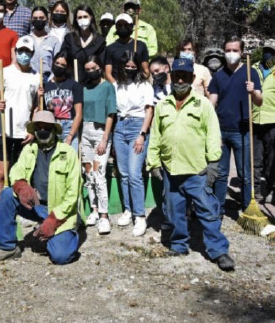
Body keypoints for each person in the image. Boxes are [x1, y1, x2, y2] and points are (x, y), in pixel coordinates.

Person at [147, 58, 235, 271]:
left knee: (207, 210)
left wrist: (214, 163)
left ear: (192, 78)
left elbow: (213, 134)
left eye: (184, 76)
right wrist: (154, 163)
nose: (180, 80)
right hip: (171, 170)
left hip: (197, 170)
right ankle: (179, 245)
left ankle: (218, 250)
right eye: (176, 75)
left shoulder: (203, 104)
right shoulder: (163, 106)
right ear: (171, 76)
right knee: (174, 210)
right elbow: (156, 135)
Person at [0, 111, 82, 266]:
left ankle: (72, 230)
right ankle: (8, 248)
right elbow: (16, 171)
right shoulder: (29, 149)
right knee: (8, 194)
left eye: (47, 127)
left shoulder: (68, 153)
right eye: (39, 127)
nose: (43, 131)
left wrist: (53, 220)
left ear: (54, 130)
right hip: (36, 206)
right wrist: (21, 186)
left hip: (59, 211)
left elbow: (73, 195)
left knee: (60, 257)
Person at [208, 37, 263, 213]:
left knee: (245, 174)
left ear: (242, 52)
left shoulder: (250, 73)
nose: (231, 54)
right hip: (221, 131)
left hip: (242, 131)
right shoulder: (218, 75)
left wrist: (253, 91)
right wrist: (210, 127)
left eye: (235, 50)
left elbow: (260, 101)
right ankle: (218, 209)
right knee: (221, 174)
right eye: (228, 50)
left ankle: (248, 208)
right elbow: (211, 103)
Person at [0, 36, 40, 201]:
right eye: (21, 51)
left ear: (32, 53)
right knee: (2, 174)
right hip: (3, 131)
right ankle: (3, 207)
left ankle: (22, 209)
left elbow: (37, 108)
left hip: (24, 134)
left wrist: (32, 130)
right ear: (16, 52)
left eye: (27, 51)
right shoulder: (4, 72)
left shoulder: (36, 76)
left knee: (22, 175)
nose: (24, 54)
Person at [112, 52, 154, 236]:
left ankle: (140, 216)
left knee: (135, 173)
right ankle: (128, 209)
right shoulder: (116, 85)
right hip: (120, 127)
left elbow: (149, 111)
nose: (129, 69)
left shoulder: (144, 85)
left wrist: (142, 134)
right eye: (126, 66)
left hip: (138, 126)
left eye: (132, 66)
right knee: (123, 173)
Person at [80, 55, 116, 235]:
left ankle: (104, 215)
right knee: (88, 174)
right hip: (85, 133)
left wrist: (105, 138)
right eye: (87, 69)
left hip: (100, 132)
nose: (90, 72)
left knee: (99, 173)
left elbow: (111, 113)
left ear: (100, 67)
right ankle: (94, 209)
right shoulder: (84, 87)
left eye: (93, 68)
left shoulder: (108, 87)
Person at [251, 39, 275, 204]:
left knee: (273, 158)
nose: (268, 54)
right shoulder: (253, 68)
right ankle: (256, 189)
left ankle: (273, 187)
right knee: (255, 158)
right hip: (255, 119)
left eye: (272, 52)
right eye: (266, 50)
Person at [43, 51, 83, 151]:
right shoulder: (46, 86)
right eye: (57, 63)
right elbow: (42, 110)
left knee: (69, 162)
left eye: (62, 65)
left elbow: (79, 114)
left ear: (68, 67)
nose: (59, 66)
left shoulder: (74, 85)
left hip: (68, 127)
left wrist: (70, 136)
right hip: (52, 126)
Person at [60, 5, 106, 81]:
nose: (82, 19)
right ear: (76, 20)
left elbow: (101, 64)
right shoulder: (69, 39)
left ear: (91, 17)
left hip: (93, 84)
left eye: (85, 17)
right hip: (72, 82)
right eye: (80, 17)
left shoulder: (99, 41)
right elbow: (62, 59)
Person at [104, 13, 149, 83]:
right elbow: (108, 74)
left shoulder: (141, 46)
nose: (122, 27)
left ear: (131, 27)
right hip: (118, 86)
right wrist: (116, 86)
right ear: (116, 28)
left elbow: (146, 71)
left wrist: (139, 83)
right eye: (119, 25)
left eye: (126, 25)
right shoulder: (110, 48)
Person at [27, 6, 62, 82]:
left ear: (46, 19)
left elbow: (58, 62)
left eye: (41, 18)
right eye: (35, 18)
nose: (38, 20)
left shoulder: (54, 40)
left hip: (48, 80)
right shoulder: (26, 40)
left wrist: (53, 79)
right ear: (31, 20)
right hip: (29, 80)